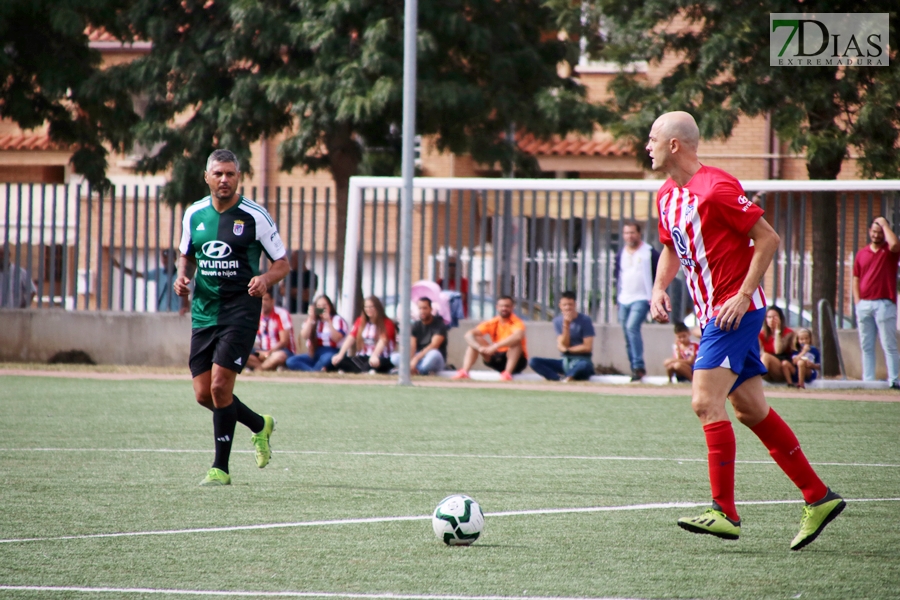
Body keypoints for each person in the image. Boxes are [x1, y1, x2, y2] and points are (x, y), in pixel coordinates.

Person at [647, 111, 844, 550]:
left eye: (652, 137)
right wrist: (660, 288)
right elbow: (670, 249)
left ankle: (724, 511)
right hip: (712, 313)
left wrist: (743, 294)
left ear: (675, 145)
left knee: (704, 402)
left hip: (732, 313)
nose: (647, 145)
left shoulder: (716, 188)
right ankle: (818, 496)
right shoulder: (665, 195)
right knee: (751, 409)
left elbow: (768, 238)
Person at [174, 149, 289, 486]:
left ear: (239, 177)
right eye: (218, 174)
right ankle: (259, 425)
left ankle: (220, 468)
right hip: (204, 311)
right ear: (207, 177)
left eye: (230, 174)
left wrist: (265, 279)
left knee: (220, 386)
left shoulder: (256, 216)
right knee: (203, 394)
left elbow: (282, 263)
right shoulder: (194, 213)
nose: (224, 180)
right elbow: (187, 255)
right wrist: (182, 277)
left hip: (241, 310)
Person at [853, 216, 900, 389]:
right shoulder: (862, 253)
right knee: (866, 345)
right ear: (869, 232)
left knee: (889, 344)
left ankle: (894, 380)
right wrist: (858, 302)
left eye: (879, 232)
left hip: (885, 304)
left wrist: (885, 224)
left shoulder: (890, 251)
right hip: (865, 304)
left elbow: (895, 244)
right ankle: (868, 381)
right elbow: (855, 278)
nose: (876, 235)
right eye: (873, 231)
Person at [615, 221, 659, 381]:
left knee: (632, 327)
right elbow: (618, 276)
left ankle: (639, 365)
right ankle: (634, 367)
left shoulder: (649, 252)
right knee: (627, 333)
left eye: (632, 232)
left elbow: (660, 273)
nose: (629, 236)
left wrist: (657, 295)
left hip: (642, 298)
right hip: (624, 298)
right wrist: (616, 298)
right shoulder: (621, 253)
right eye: (626, 233)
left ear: (639, 234)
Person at [452, 295, 527, 381]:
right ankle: (464, 372)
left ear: (512, 307)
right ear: (497, 307)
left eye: (507, 306)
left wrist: (495, 346)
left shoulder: (516, 322)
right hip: (496, 357)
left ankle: (507, 374)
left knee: (516, 343)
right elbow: (469, 335)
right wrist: (479, 348)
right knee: (474, 340)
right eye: (501, 306)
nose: (504, 308)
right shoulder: (493, 322)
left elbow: (518, 336)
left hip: (517, 361)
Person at [528, 290, 595, 382]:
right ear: (560, 306)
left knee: (584, 365)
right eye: (565, 305)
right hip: (565, 361)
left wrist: (568, 350)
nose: (567, 308)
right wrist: (566, 325)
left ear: (575, 305)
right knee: (534, 361)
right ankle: (559, 378)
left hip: (581, 359)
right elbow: (563, 344)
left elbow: (587, 347)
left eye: (570, 304)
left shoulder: (585, 320)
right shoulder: (557, 321)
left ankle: (569, 376)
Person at [326, 295, 396, 374]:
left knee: (371, 365)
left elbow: (383, 340)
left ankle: (368, 371)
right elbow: (351, 338)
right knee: (338, 363)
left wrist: (375, 355)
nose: (368, 310)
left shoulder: (387, 323)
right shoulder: (360, 321)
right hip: (363, 357)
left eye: (371, 307)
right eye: (366, 307)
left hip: (380, 358)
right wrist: (340, 354)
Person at [286, 294, 348, 372]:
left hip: (331, 350)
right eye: (319, 306)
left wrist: (328, 321)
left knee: (326, 359)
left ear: (330, 306)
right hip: (314, 351)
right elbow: (304, 335)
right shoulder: (313, 320)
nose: (321, 309)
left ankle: (315, 370)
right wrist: (311, 318)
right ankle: (315, 371)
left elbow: (336, 338)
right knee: (291, 361)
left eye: (324, 306)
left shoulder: (338, 320)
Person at [113, 249, 184, 313]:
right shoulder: (158, 273)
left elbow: (185, 295)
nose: (165, 260)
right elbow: (139, 274)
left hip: (175, 313)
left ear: (174, 259)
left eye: (167, 257)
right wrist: (119, 266)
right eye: (164, 258)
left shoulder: (180, 276)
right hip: (161, 314)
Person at [391, 297, 448, 375]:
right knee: (394, 357)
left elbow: (434, 345)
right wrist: (411, 361)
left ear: (431, 309)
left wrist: (416, 359)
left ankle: (415, 371)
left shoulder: (439, 325)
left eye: (425, 308)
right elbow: (412, 347)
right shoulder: (416, 325)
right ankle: (413, 370)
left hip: (433, 358)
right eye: (420, 308)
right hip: (418, 358)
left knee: (434, 354)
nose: (422, 311)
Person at [246, 288, 295, 371]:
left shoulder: (281, 314)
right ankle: (267, 367)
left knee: (279, 356)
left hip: (279, 351)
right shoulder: (255, 315)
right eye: (260, 299)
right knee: (240, 354)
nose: (262, 302)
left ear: (273, 301)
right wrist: (258, 352)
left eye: (265, 299)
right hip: (261, 352)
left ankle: (259, 370)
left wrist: (269, 352)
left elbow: (284, 341)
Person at [758, 306, 796, 384]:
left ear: (780, 318)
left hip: (783, 368)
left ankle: (756, 382)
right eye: (769, 317)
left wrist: (777, 332)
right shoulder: (762, 334)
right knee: (763, 357)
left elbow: (778, 351)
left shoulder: (788, 333)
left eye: (775, 317)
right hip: (768, 370)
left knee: (766, 356)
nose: (772, 320)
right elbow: (757, 351)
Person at [284, 250, 319, 314]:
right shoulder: (289, 275)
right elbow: (282, 291)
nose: (290, 262)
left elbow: (308, 296)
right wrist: (302, 292)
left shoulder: (312, 276)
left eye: (293, 259)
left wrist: (292, 292)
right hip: (289, 311)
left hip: (306, 312)